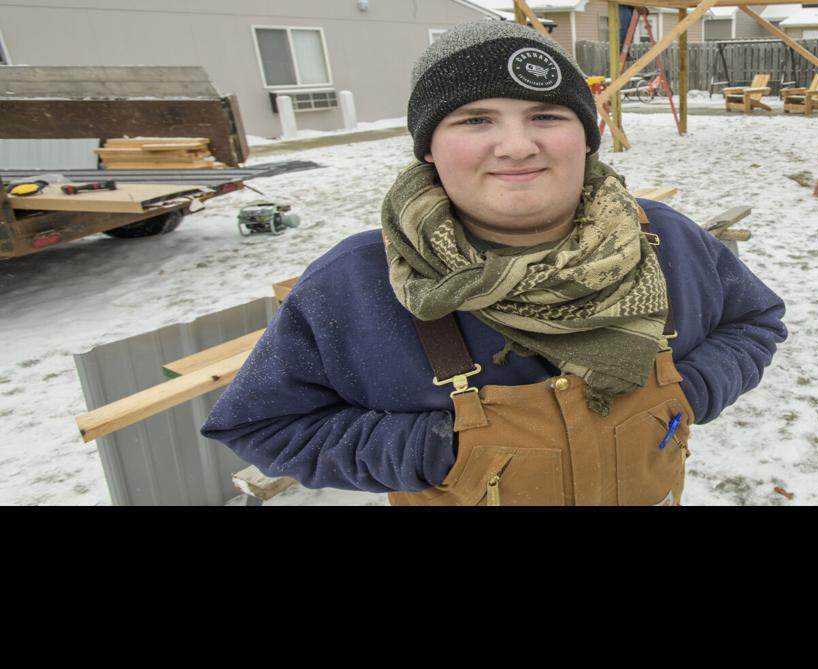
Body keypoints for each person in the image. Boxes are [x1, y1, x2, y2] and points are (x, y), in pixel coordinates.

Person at [200, 20, 787, 505]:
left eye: (547, 116)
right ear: (429, 146)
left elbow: (754, 322)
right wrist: (430, 449)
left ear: (586, 137)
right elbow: (260, 424)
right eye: (475, 119)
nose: (515, 146)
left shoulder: (668, 241)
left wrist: (692, 392)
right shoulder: (354, 285)